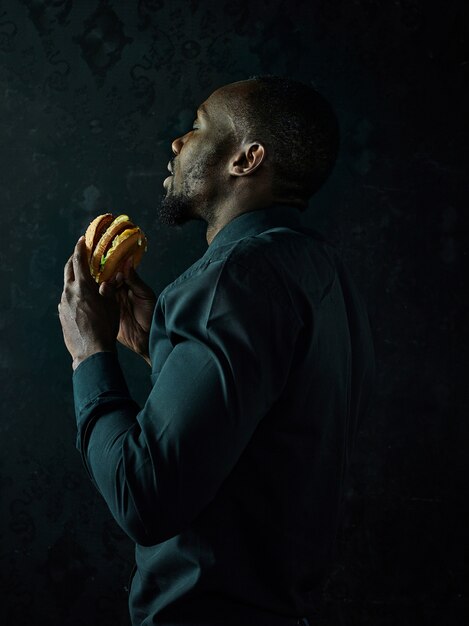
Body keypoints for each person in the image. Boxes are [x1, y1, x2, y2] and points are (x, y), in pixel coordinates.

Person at [58, 75, 375, 626]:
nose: (178, 142)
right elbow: (267, 422)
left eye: (198, 127)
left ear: (246, 159)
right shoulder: (318, 269)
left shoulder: (231, 281)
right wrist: (161, 343)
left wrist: (91, 354)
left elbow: (143, 497)